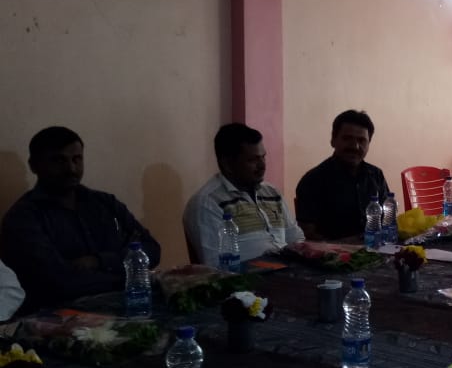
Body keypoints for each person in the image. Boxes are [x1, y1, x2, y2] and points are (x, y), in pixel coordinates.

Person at [1, 126, 161, 312]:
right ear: (34, 165)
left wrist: (99, 261)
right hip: (60, 317)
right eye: (58, 160)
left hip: (129, 304)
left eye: (77, 159)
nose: (71, 168)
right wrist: (130, 273)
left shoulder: (105, 203)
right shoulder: (23, 218)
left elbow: (152, 250)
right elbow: (60, 282)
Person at [183, 123, 304, 266]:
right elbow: (216, 265)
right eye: (252, 160)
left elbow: (296, 239)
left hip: (290, 272)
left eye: (263, 157)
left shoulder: (272, 193)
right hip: (249, 277)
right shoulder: (208, 203)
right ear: (228, 164)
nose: (262, 165)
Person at [295, 110, 390, 240]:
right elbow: (307, 235)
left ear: (369, 144)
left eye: (362, 140)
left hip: (377, 249)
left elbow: (388, 221)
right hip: (333, 252)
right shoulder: (313, 181)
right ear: (333, 140)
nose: (355, 146)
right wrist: (346, 245)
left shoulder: (376, 175)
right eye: (347, 139)